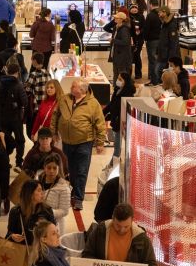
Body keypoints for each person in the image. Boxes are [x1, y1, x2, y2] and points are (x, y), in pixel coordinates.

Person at [50, 78, 106, 211]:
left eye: (74, 86)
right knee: (69, 169)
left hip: (84, 143)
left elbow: (100, 124)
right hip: (67, 142)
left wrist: (100, 142)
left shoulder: (93, 104)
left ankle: (79, 198)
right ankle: (71, 193)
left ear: (82, 90)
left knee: (81, 170)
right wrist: (53, 132)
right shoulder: (64, 99)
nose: (71, 88)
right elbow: (55, 115)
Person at [82, 203, 158, 266]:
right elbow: (86, 254)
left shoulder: (141, 239)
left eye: (126, 227)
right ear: (112, 218)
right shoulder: (100, 231)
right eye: (118, 226)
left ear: (132, 221)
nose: (122, 230)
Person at [0, 63, 28, 168]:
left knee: (3, 139)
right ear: (17, 72)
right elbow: (25, 102)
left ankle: (5, 161)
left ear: (7, 71)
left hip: (2, 118)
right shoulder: (19, 85)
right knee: (20, 140)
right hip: (16, 118)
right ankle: (18, 162)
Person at [7, 180, 56, 246]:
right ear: (29, 193)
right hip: (22, 249)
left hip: (41, 249)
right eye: (39, 190)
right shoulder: (16, 211)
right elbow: (10, 232)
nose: (42, 193)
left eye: (42, 190)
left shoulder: (47, 210)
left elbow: (53, 231)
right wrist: (13, 235)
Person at [103, 72, 136, 158]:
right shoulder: (117, 90)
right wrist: (104, 112)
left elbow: (123, 110)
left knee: (118, 146)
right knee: (116, 144)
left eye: (120, 79)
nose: (118, 81)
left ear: (126, 82)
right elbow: (112, 104)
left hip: (121, 123)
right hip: (115, 120)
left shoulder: (128, 95)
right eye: (118, 78)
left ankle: (114, 164)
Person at [38, 154, 71, 236]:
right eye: (49, 168)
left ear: (58, 168)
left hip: (55, 224)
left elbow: (64, 211)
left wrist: (48, 213)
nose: (51, 171)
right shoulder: (38, 181)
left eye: (54, 168)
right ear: (44, 167)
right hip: (39, 221)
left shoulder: (64, 188)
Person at [24, 52, 52, 139]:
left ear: (35, 61)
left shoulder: (33, 74)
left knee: (34, 128)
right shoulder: (48, 73)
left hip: (36, 107)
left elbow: (27, 89)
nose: (32, 62)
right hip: (46, 105)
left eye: (32, 60)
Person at [156, 6, 180, 83]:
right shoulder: (164, 23)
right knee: (159, 71)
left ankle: (166, 86)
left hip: (167, 56)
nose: (158, 14)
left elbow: (174, 43)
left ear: (165, 13)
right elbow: (162, 39)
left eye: (160, 12)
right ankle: (164, 86)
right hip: (162, 54)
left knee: (159, 71)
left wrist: (171, 59)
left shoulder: (171, 25)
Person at [109, 11, 132, 84]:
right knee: (116, 73)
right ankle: (116, 89)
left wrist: (113, 40)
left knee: (121, 74)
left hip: (122, 57)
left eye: (116, 17)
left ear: (121, 19)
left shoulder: (124, 29)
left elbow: (125, 42)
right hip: (117, 56)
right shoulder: (117, 27)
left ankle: (122, 89)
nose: (115, 18)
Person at [143, 0, 162, 85]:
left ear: (151, 5)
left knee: (152, 60)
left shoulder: (150, 16)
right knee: (159, 60)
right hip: (161, 40)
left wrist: (145, 38)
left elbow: (146, 29)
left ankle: (154, 80)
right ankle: (159, 79)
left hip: (152, 41)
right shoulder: (162, 14)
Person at [128, 3, 146, 80]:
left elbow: (144, 27)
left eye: (136, 8)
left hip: (139, 39)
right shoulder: (128, 17)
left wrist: (140, 31)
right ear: (130, 9)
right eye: (133, 8)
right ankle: (129, 74)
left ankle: (138, 74)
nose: (134, 9)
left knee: (137, 56)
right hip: (130, 39)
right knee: (129, 57)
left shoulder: (141, 16)